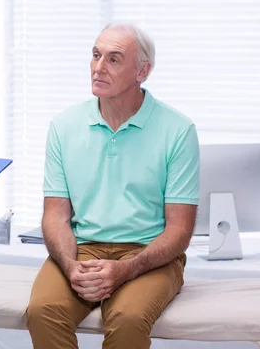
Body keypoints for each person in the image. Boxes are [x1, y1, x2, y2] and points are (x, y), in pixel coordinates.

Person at [25, 23, 200, 349]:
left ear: (142, 71)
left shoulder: (178, 130)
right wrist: (70, 265)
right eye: (95, 55)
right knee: (43, 310)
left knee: (128, 319)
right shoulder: (64, 127)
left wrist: (127, 269)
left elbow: (180, 229)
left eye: (114, 59)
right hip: (83, 249)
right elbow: (55, 216)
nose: (98, 67)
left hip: (150, 254)